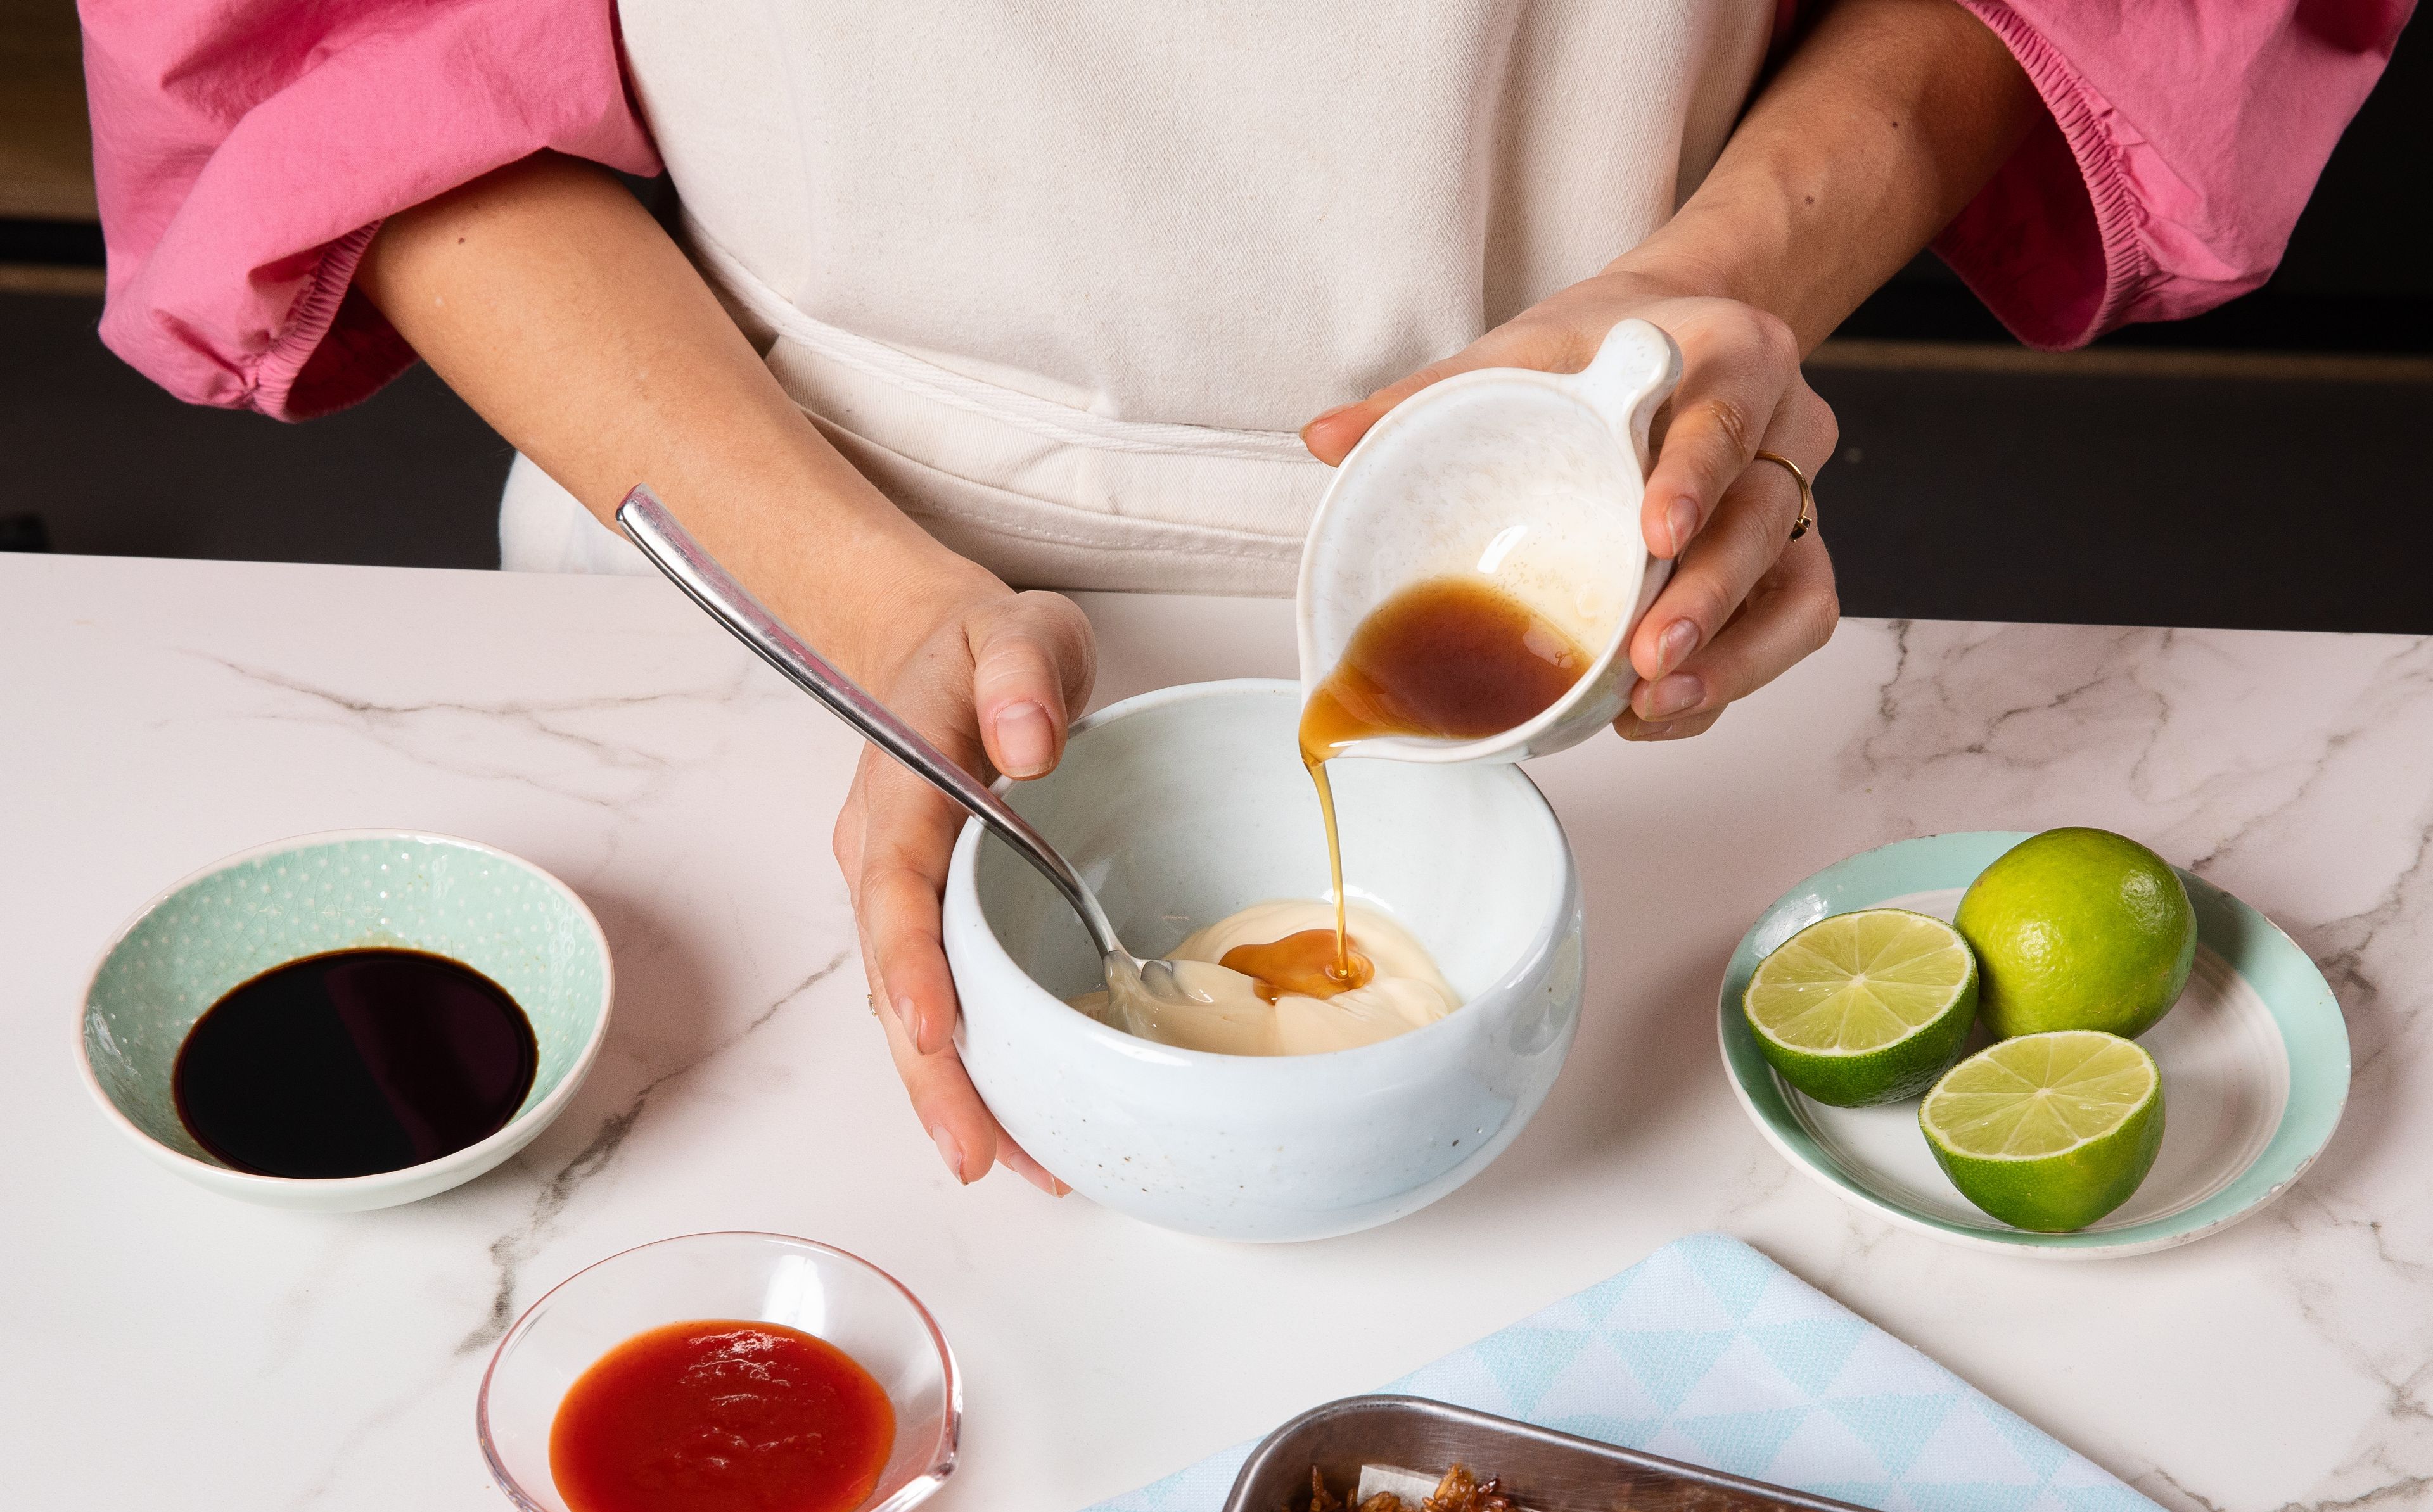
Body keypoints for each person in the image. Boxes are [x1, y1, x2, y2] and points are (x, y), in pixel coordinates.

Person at [82, 0, 2405, 1190]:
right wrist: (866, 601)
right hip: (739, 569)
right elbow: (342, 55)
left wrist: (1705, 299)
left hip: (1582, 603)